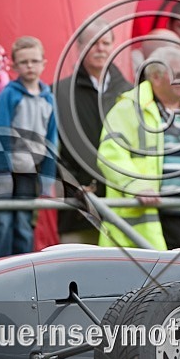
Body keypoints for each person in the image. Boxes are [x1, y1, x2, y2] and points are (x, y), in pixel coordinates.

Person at [98, 46, 180, 250]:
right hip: (141, 226)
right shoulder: (126, 109)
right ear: (156, 77)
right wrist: (136, 186)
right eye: (179, 75)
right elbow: (110, 154)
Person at [55, 19, 132, 244]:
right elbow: (52, 149)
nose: (100, 49)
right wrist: (73, 186)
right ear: (79, 48)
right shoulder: (60, 93)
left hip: (124, 211)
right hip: (78, 210)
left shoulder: (131, 93)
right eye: (93, 43)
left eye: (105, 43)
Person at [0, 36, 57, 257]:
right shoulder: (9, 94)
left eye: (34, 61)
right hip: (5, 170)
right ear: (14, 66)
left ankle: (23, 267)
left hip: (29, 171)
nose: (29, 66)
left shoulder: (48, 99)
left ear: (43, 63)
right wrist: (1, 171)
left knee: (24, 223)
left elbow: (52, 140)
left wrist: (47, 180)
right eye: (24, 62)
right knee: (2, 222)